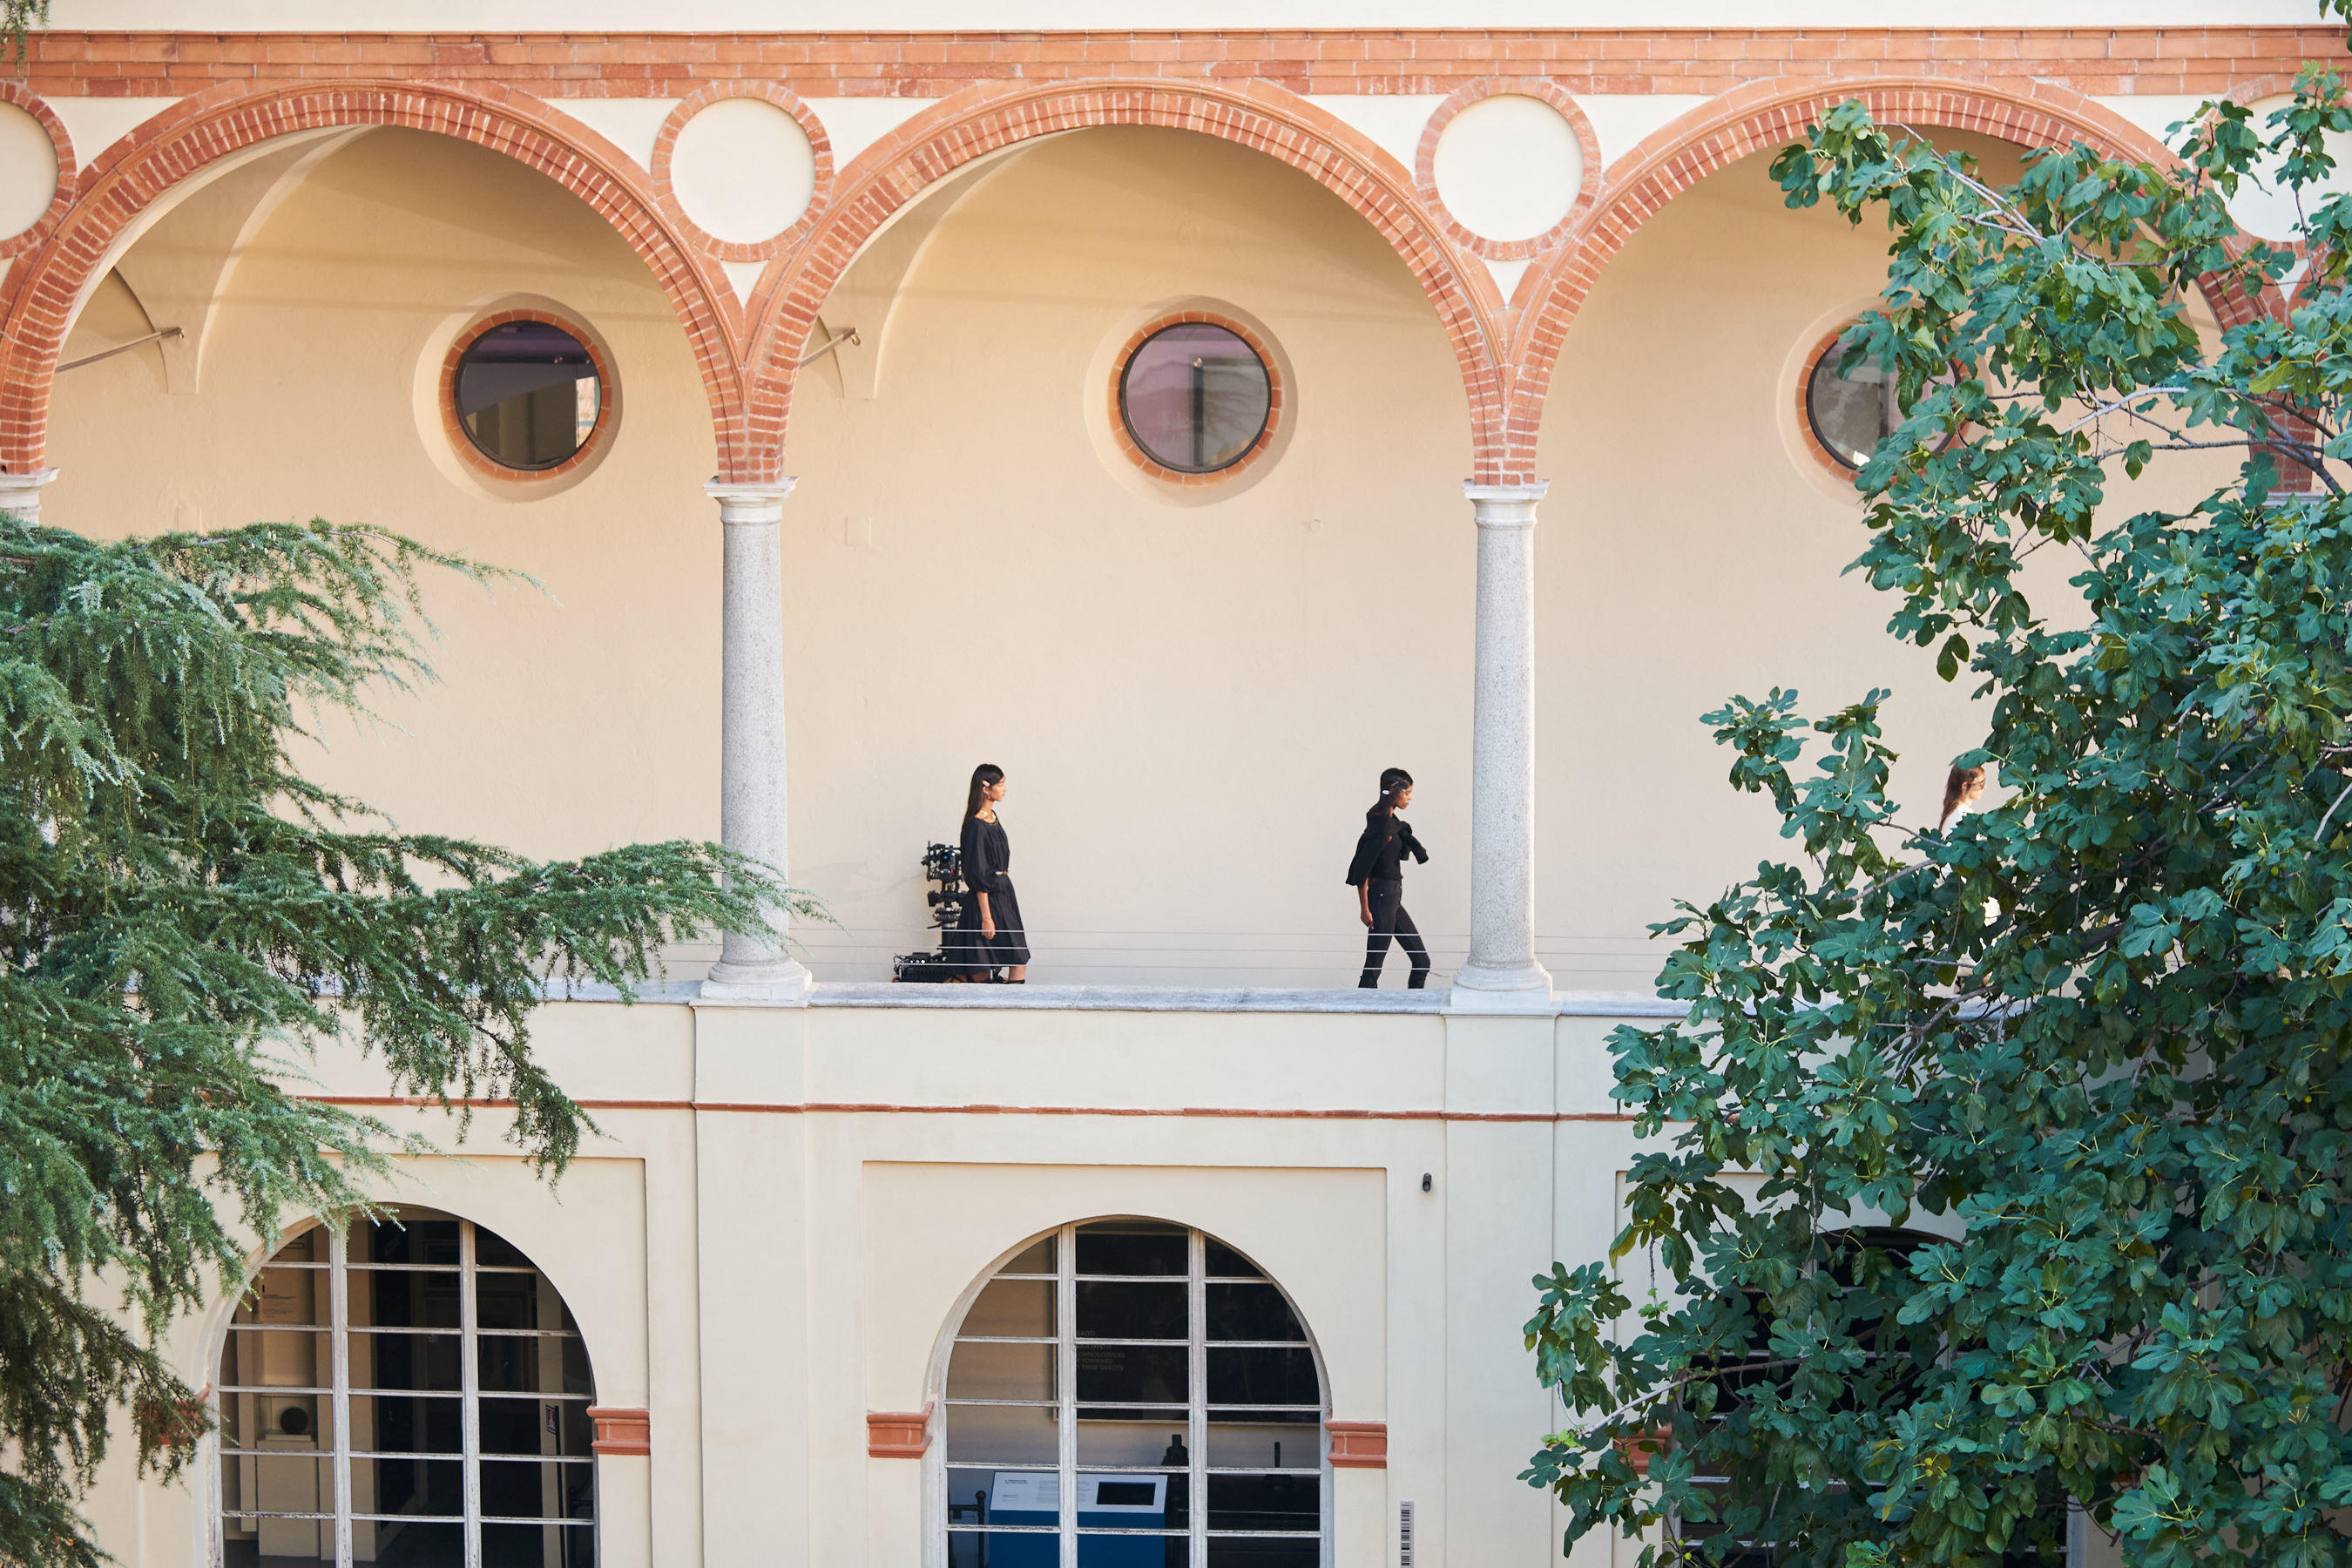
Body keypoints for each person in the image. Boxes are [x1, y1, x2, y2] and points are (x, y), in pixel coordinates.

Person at [1346, 767, 1429, 989]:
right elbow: (1363, 869)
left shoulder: (1393, 822)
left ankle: (1415, 1010)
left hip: (1393, 898)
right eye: (1407, 792)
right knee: (1373, 967)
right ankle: (1363, 1012)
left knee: (1422, 962)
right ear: (1394, 791)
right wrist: (1365, 909)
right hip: (1381, 897)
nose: (1410, 798)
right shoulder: (1381, 824)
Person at [949, 763, 1029, 983]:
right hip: (986, 898)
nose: (1004, 789)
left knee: (1018, 958)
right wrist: (986, 918)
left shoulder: (993, 817)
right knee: (981, 966)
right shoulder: (975, 825)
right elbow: (977, 872)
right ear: (986, 788)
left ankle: (1012, 1013)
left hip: (1003, 893)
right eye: (1000, 784)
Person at [1940, 763, 1987, 831]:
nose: (1984, 787)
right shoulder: (1959, 816)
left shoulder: (1962, 812)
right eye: (1980, 784)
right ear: (1965, 786)